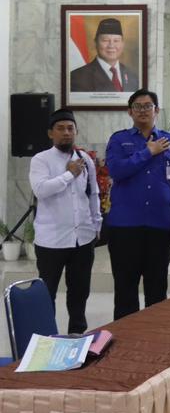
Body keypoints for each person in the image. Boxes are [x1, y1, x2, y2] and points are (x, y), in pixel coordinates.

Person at [104, 89, 170, 319]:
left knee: (157, 287)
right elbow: (116, 171)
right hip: (125, 226)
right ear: (130, 112)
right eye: (138, 107)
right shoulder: (119, 140)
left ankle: (154, 336)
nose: (143, 111)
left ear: (156, 110)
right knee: (125, 288)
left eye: (148, 106)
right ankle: (125, 337)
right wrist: (147, 152)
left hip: (160, 225)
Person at [29, 109, 100, 334]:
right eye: (60, 128)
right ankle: (47, 337)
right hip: (51, 240)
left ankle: (77, 335)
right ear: (51, 133)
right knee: (47, 292)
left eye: (70, 128)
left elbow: (93, 194)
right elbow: (41, 190)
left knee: (80, 292)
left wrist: (96, 224)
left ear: (76, 132)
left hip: (83, 238)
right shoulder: (41, 159)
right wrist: (69, 175)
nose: (66, 133)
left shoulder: (85, 160)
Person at [69, 17, 139, 92]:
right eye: (105, 40)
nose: (111, 45)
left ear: (122, 44)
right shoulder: (78, 77)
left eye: (116, 41)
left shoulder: (133, 77)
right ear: (96, 43)